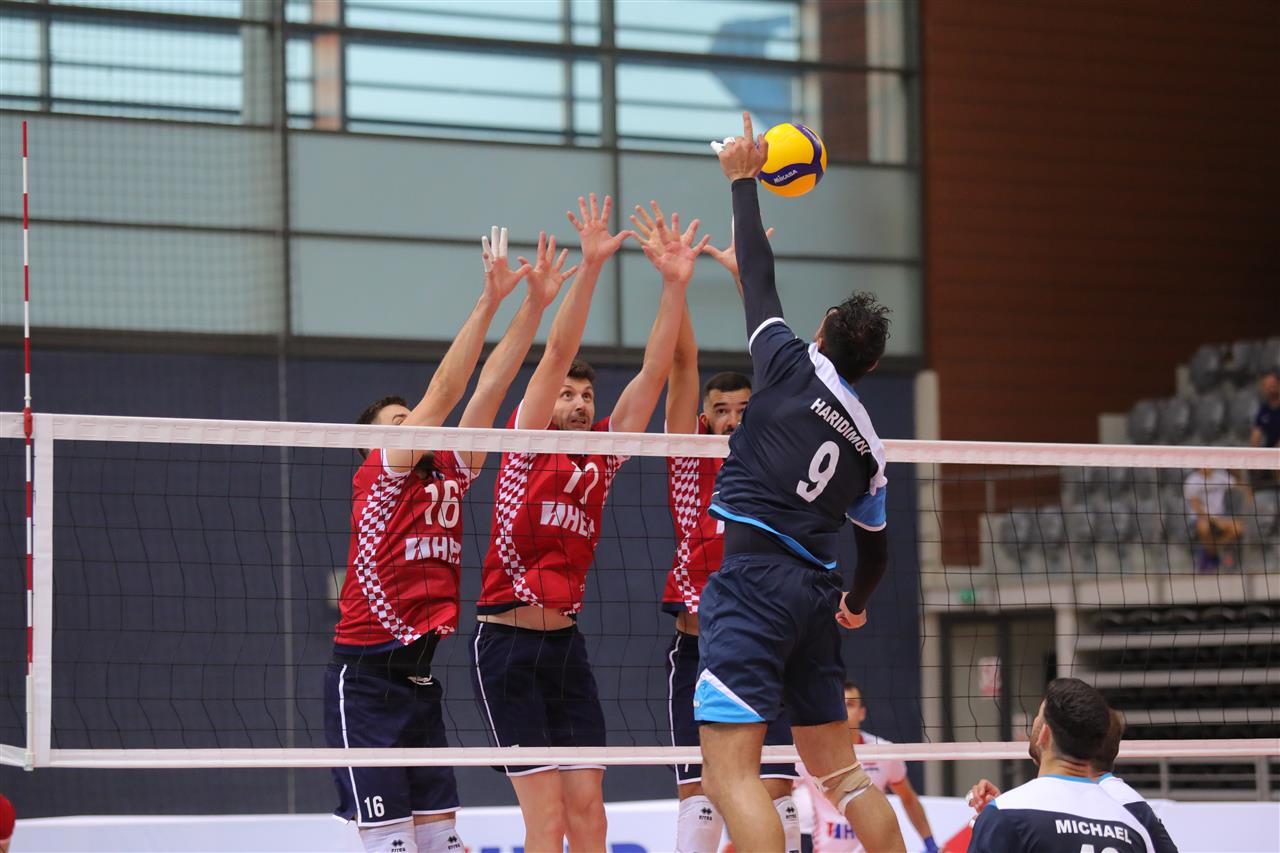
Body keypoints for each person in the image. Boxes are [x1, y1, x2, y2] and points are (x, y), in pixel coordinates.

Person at [471, 193, 706, 853]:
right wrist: (594, 266)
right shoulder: (527, 441)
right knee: (546, 823)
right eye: (567, 395)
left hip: (566, 649)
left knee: (591, 818)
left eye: (586, 395)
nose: (577, 403)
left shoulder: (604, 452)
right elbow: (554, 355)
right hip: (508, 645)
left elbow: (656, 371)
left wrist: (674, 285)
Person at [698, 111, 905, 853]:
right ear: (871, 366)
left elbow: (759, 279)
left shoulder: (788, 362)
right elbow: (876, 551)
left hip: (752, 584)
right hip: (816, 597)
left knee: (729, 776)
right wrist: (856, 604)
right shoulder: (872, 451)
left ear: (821, 332)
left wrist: (742, 179)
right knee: (844, 775)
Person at [325, 226, 565, 853]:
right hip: (366, 682)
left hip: (421, 684)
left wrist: (534, 304)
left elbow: (489, 389)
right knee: (394, 845)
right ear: (377, 442)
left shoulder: (452, 470)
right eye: (401, 423)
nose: (416, 425)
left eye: (413, 420)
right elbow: (447, 391)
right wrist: (489, 300)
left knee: (445, 843)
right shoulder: (380, 474)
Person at [631, 202, 800, 853]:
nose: (731, 418)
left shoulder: (772, 454)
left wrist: (742, 277)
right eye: (720, 409)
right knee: (700, 798)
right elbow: (681, 366)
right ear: (704, 418)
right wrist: (676, 282)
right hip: (699, 645)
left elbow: (782, 364)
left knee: (777, 793)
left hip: (765, 641)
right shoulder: (687, 456)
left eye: (742, 408)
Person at [967, 679, 1154, 853]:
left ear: (1044, 734)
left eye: (1039, 717)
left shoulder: (1006, 814)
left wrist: (995, 824)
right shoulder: (1134, 827)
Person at [793, 682, 938, 853]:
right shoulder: (810, 753)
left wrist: (931, 846)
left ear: (862, 713)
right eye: (839, 704)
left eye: (850, 704)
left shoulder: (883, 752)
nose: (844, 710)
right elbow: (782, 794)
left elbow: (908, 799)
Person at [1183, 467, 1247, 571]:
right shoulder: (1192, 480)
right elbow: (1196, 507)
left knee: (1238, 528)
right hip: (1199, 518)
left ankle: (1210, 553)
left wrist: (1248, 491)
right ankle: (1214, 556)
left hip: (1220, 516)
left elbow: (1239, 485)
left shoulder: (1220, 475)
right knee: (1204, 527)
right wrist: (1214, 520)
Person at [1249, 371, 1280, 450]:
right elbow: (1256, 434)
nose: (1270, 388)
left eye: (1273, 384)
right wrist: (1252, 453)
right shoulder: (1264, 410)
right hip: (1270, 450)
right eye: (1266, 385)